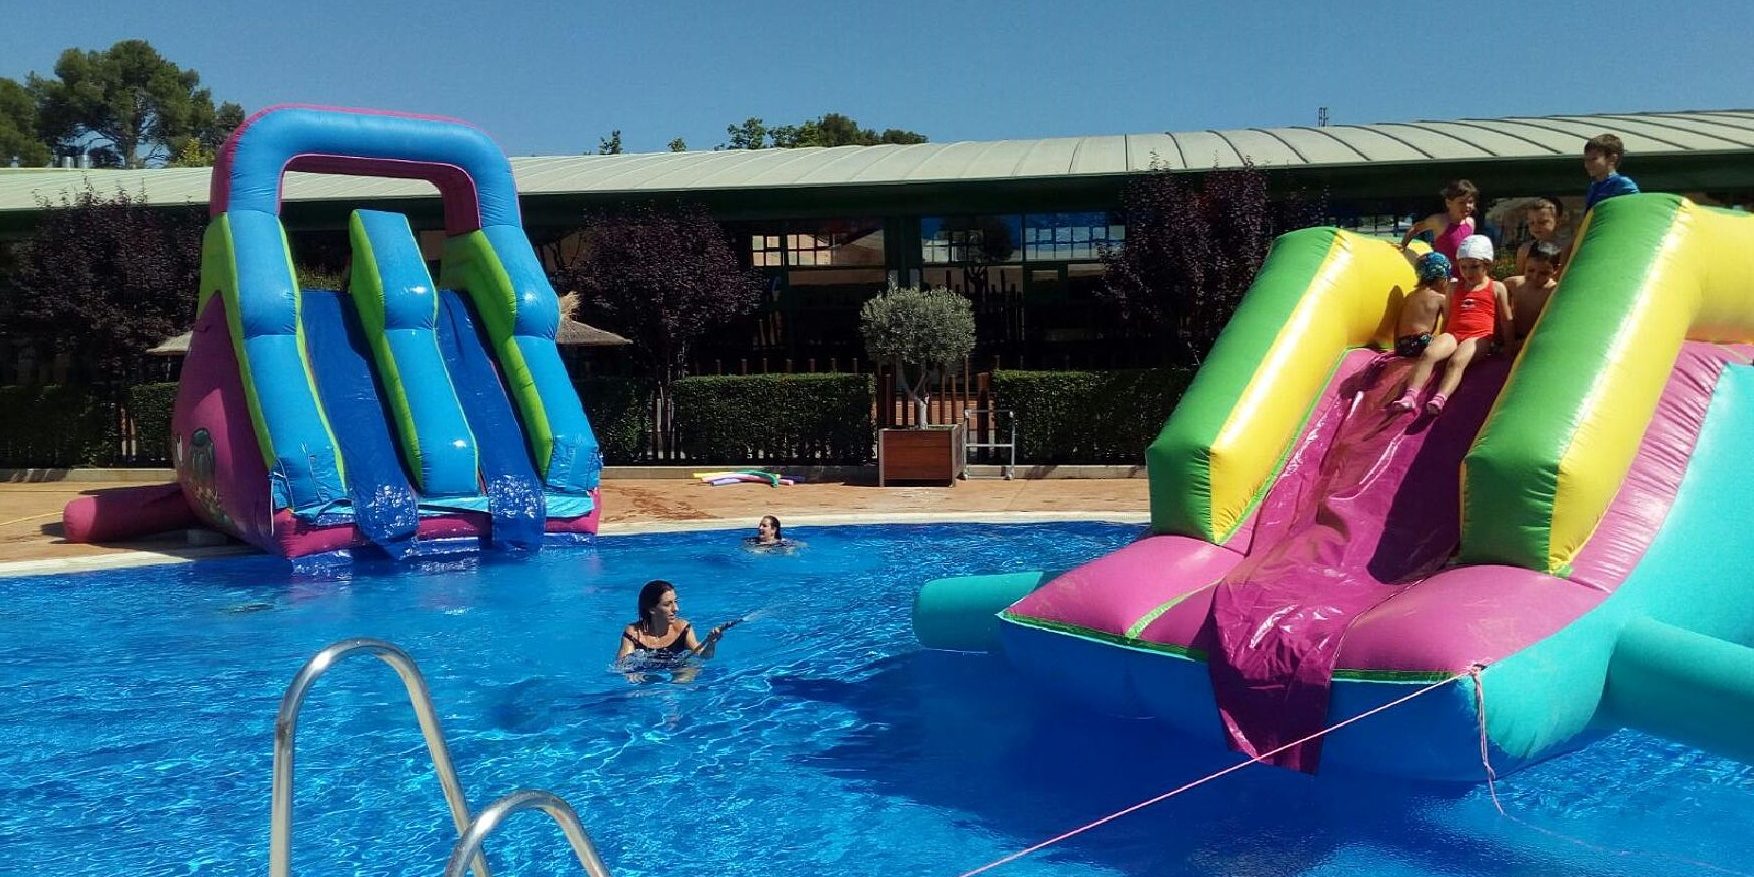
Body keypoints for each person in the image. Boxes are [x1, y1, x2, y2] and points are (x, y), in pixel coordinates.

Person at [1389, 236, 1511, 416]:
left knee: (1457, 361)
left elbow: (1506, 319)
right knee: (1429, 353)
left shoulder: (1497, 287)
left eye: (1474, 266)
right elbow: (1447, 318)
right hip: (1454, 333)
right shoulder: (1453, 288)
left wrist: (1508, 347)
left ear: (1487, 265)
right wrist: (1443, 339)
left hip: (1480, 336)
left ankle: (1440, 397)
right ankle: (1410, 395)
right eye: (1463, 267)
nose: (1468, 272)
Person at [1385, 252, 1452, 410]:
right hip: (1421, 341)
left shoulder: (1410, 296)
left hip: (1403, 345)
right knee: (1449, 344)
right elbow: (1449, 324)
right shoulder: (1439, 298)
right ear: (1442, 278)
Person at [615, 580, 733, 669]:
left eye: (675, 602)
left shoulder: (683, 629)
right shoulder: (634, 634)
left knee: (688, 671)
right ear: (652, 609)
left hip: (680, 668)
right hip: (648, 672)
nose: (676, 608)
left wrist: (711, 643)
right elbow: (620, 665)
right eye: (667, 604)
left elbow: (703, 656)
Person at [1400, 180, 1480, 267]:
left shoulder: (1470, 223)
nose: (1467, 206)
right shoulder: (1440, 221)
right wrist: (1403, 246)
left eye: (1470, 202)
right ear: (1448, 203)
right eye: (1461, 202)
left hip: (1466, 276)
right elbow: (1415, 228)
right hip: (1444, 277)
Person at [1506, 241, 1562, 347]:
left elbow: (1549, 328)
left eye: (1543, 273)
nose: (1535, 277)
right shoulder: (1511, 284)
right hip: (1508, 338)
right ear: (1525, 262)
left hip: (1533, 343)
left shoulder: (1553, 292)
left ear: (1556, 270)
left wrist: (1521, 344)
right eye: (1530, 270)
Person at [1584, 134, 1640, 212]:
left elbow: (1636, 210)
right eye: (1586, 160)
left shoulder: (1623, 184)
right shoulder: (1594, 186)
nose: (1587, 164)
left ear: (1612, 159)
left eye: (1594, 159)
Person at [1514, 197, 1566, 276]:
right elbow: (1519, 278)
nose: (1536, 227)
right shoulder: (1525, 249)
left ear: (1558, 222)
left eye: (1542, 222)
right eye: (1531, 223)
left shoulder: (1566, 248)